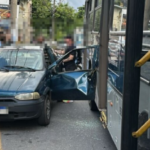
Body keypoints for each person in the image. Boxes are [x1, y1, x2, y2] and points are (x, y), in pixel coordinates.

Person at [55, 36, 76, 103]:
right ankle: (68, 97)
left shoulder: (72, 47)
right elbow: (63, 52)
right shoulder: (68, 47)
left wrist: (62, 60)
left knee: (69, 82)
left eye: (66, 39)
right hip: (67, 67)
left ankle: (70, 98)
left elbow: (71, 58)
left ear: (70, 40)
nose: (65, 40)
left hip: (70, 67)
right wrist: (55, 51)